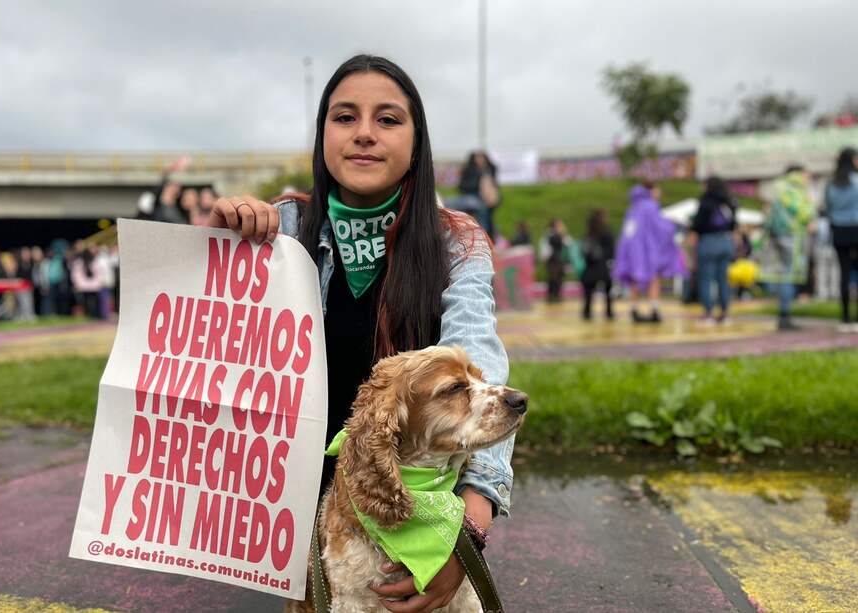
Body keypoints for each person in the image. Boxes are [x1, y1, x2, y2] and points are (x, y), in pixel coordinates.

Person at [207, 54, 512, 611]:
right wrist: (216, 246)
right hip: (289, 508)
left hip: (409, 509)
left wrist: (467, 534)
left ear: (417, 142)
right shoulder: (283, 227)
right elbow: (198, 335)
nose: (365, 134)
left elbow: (481, 363)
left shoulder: (457, 241)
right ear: (322, 134)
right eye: (345, 117)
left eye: (389, 120)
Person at [613, 180, 686, 323]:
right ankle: (654, 309)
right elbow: (660, 228)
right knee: (653, 278)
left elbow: (628, 232)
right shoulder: (651, 207)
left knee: (635, 279)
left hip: (632, 251)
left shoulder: (633, 208)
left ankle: (634, 309)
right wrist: (673, 225)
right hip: (647, 251)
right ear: (651, 190)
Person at [759, 165, 816, 331]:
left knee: (781, 273)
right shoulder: (797, 189)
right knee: (789, 275)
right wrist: (810, 207)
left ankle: (783, 311)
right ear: (799, 174)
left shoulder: (778, 188)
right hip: (794, 235)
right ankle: (785, 314)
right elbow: (805, 213)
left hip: (777, 235)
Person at [690, 176, 737, 325]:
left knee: (706, 279)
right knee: (723, 280)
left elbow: (698, 224)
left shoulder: (705, 202)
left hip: (708, 242)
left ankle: (708, 313)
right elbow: (734, 223)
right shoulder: (729, 202)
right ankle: (725, 313)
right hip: (725, 242)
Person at [824, 147, 858, 331]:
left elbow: (828, 210)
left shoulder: (832, 184)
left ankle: (845, 318)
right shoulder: (856, 181)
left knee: (844, 275)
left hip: (839, 231)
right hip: (856, 228)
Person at [581, 209, 615, 320]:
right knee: (608, 292)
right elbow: (612, 251)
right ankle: (609, 312)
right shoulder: (607, 233)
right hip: (603, 268)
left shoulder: (588, 234)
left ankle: (587, 312)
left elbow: (583, 252)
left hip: (590, 268)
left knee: (588, 294)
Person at [458, 151, 500, 238]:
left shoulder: (489, 170)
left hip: (487, 200)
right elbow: (462, 186)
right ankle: (482, 235)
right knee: (481, 213)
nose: (480, 160)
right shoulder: (469, 170)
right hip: (473, 197)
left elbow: (494, 186)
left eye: (481, 158)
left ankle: (484, 236)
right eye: (478, 158)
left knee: (486, 217)